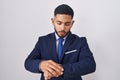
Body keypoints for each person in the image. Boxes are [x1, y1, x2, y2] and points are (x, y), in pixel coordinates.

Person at [24, 4, 96, 80]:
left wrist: (60, 69)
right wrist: (41, 65)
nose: (62, 28)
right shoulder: (43, 41)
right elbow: (28, 62)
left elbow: (90, 65)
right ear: (53, 21)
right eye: (59, 23)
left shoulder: (80, 42)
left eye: (67, 24)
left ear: (72, 23)